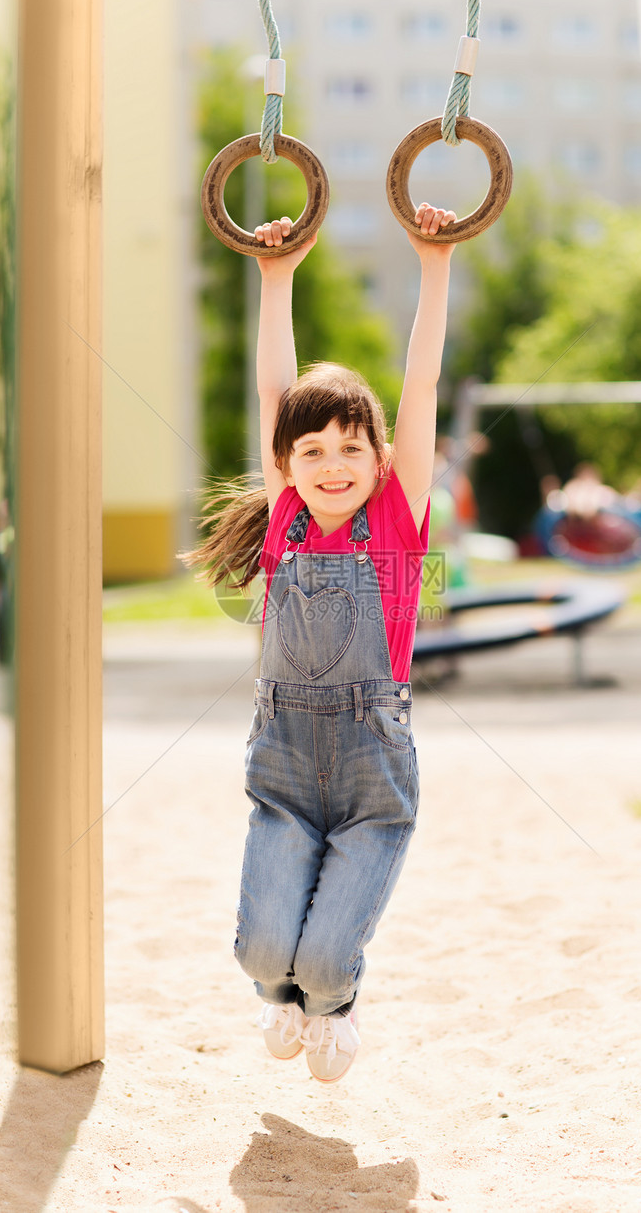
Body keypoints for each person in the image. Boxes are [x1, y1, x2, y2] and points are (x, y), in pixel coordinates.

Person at [186, 203, 457, 1083]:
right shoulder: (286, 522)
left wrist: (435, 264)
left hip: (374, 770)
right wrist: (274, 277)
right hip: (289, 767)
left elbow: (420, 388)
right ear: (287, 465)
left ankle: (333, 1007)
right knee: (265, 953)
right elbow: (274, 390)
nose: (332, 461)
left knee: (327, 961)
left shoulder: (395, 520)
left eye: (351, 445)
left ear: (380, 459)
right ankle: (283, 995)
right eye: (312, 449)